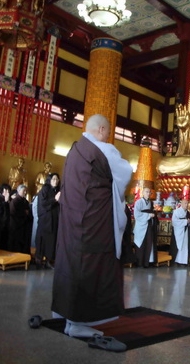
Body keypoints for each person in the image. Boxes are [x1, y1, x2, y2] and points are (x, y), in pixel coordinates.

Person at [52, 114, 132, 341]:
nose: (109, 137)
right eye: (108, 132)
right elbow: (126, 172)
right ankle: (80, 323)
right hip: (94, 224)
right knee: (92, 267)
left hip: (73, 222)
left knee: (72, 265)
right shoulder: (104, 150)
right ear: (102, 129)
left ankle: (70, 319)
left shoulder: (74, 150)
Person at [35, 173, 60, 268]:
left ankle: (49, 260)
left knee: (52, 241)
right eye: (54, 179)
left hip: (54, 220)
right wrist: (54, 199)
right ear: (49, 180)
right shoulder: (44, 189)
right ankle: (39, 259)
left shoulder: (57, 190)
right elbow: (43, 203)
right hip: (45, 221)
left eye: (57, 179)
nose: (56, 181)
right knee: (42, 240)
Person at [133, 187, 157, 268]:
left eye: (149, 192)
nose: (148, 193)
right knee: (141, 243)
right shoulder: (139, 202)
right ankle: (140, 262)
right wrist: (148, 215)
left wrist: (152, 215)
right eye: (146, 192)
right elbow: (136, 214)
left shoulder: (150, 202)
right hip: (141, 225)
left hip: (149, 225)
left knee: (149, 242)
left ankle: (148, 261)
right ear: (143, 193)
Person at [8, 184, 33, 254]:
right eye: (24, 191)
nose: (25, 192)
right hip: (16, 226)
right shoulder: (14, 201)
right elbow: (12, 213)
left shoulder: (26, 202)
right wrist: (24, 213)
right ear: (18, 191)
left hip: (25, 227)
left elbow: (29, 214)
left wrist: (27, 214)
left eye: (26, 191)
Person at [170, 199, 190, 265]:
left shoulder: (187, 213)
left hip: (185, 231)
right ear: (181, 204)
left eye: (187, 203)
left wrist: (188, 222)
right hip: (179, 231)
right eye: (185, 203)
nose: (186, 205)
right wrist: (185, 222)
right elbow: (174, 222)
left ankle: (184, 260)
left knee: (184, 246)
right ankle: (177, 260)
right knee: (179, 245)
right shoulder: (177, 211)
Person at [0, 184, 11, 250]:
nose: (8, 193)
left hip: (4, 225)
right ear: (4, 190)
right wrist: (5, 202)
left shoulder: (4, 200)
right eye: (7, 191)